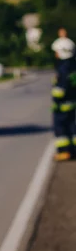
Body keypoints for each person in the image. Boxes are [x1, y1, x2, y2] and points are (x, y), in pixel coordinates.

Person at [51, 29, 76, 161]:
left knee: (61, 130)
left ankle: (64, 152)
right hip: (72, 104)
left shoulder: (63, 68)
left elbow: (61, 89)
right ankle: (73, 151)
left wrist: (56, 98)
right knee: (73, 128)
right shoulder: (73, 66)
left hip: (62, 106)